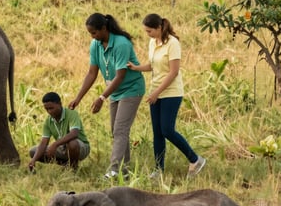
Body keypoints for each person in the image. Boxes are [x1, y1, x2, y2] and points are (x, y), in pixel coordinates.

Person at [127, 13, 206, 178]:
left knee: (167, 130)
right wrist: (136, 68)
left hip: (171, 92)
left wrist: (157, 92)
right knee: (157, 132)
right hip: (155, 92)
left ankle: (195, 159)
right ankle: (158, 169)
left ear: (159, 28)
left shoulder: (172, 43)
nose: (147, 34)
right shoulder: (152, 42)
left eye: (149, 31)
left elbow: (173, 72)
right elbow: (153, 65)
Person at [69, 13, 145, 180]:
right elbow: (91, 73)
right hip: (115, 91)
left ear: (104, 29)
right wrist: (78, 98)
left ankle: (114, 170)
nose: (92, 37)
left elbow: (120, 75)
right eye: (90, 33)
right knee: (116, 130)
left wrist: (101, 98)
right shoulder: (95, 45)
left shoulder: (121, 44)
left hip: (131, 89)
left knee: (120, 129)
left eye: (94, 33)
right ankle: (125, 172)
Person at [28, 91, 90, 170]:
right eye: (46, 109)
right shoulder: (48, 121)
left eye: (51, 108)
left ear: (60, 104)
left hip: (81, 147)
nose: (49, 111)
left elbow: (74, 133)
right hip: (62, 148)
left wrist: (55, 144)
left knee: (72, 143)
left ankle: (73, 168)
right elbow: (44, 142)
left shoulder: (71, 114)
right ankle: (67, 165)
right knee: (33, 152)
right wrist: (33, 160)